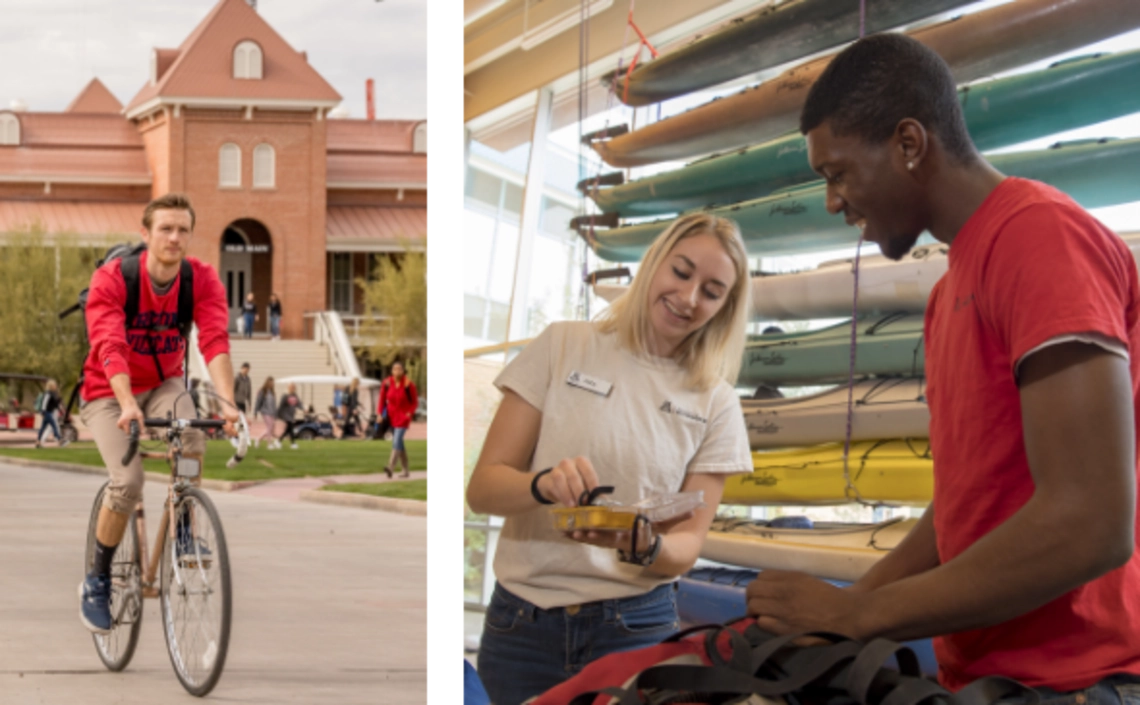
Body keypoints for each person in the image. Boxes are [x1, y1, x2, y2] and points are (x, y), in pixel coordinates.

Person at [743, 33, 1140, 699]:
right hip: (987, 676)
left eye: (836, 172)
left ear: (908, 144)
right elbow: (964, 507)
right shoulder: (946, 292)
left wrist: (861, 613)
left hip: (1078, 681)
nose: (832, 202)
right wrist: (839, 613)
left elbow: (1093, 523)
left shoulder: (1038, 237)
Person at [465, 213, 753, 705]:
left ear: (725, 307)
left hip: (635, 627)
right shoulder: (561, 345)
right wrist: (544, 484)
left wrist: (643, 546)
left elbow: (688, 542)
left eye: (711, 290)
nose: (688, 298)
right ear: (654, 262)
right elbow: (483, 490)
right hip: (522, 627)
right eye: (681, 273)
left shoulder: (717, 402)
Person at [77, 192, 238, 634]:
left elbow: (215, 341)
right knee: (128, 483)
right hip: (108, 391)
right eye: (165, 228)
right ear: (145, 234)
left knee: (191, 436)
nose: (174, 237)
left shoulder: (200, 279)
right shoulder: (113, 279)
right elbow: (109, 344)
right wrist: (127, 402)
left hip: (165, 385)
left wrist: (227, 403)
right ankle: (97, 578)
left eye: (183, 229)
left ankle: (184, 525)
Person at [380, 362, 418, 477]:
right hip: (392, 417)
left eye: (399, 369)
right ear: (392, 371)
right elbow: (381, 400)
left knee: (396, 440)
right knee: (399, 443)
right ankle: (405, 471)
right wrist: (379, 414)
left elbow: (415, 402)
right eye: (395, 369)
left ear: (403, 371)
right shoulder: (386, 383)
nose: (397, 371)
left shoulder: (408, 384)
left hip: (403, 417)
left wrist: (409, 413)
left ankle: (390, 467)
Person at [35, 380, 63, 448]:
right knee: (54, 426)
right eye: (54, 385)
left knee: (43, 428)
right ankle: (59, 440)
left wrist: (60, 409)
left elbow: (55, 404)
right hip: (47, 412)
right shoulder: (48, 393)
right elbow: (44, 403)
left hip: (49, 412)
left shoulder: (53, 393)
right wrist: (43, 411)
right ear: (51, 386)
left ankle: (38, 442)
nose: (56, 386)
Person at [273, 383, 301, 450]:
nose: (292, 388)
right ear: (288, 388)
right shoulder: (285, 395)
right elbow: (281, 405)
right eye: (291, 387)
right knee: (290, 428)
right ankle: (293, 443)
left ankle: (278, 441)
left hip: (291, 414)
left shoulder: (295, 395)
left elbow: (299, 403)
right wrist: (277, 414)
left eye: (293, 387)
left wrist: (304, 409)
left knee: (288, 429)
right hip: (285, 414)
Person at [253, 377, 276, 449]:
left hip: (272, 412)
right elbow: (258, 402)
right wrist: (255, 412)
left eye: (272, 383)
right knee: (269, 427)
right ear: (267, 383)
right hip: (265, 412)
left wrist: (276, 413)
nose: (271, 384)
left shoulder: (272, 392)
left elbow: (274, 404)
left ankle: (258, 439)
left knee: (271, 428)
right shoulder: (262, 391)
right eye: (270, 382)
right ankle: (269, 444)